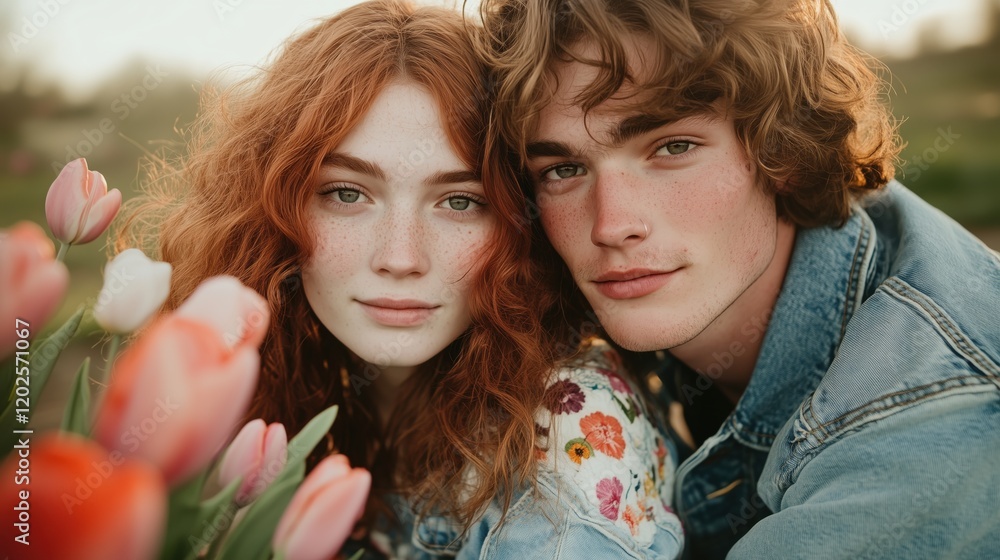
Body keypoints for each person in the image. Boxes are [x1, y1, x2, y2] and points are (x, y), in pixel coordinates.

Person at [117, 0, 683, 557]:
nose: (401, 257)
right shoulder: (303, 394)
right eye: (347, 194)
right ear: (274, 211)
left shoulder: (568, 427)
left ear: (520, 225)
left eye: (460, 201)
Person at [478, 0, 1000, 557]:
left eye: (672, 147)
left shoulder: (921, 425)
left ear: (783, 149)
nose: (611, 225)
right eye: (563, 169)